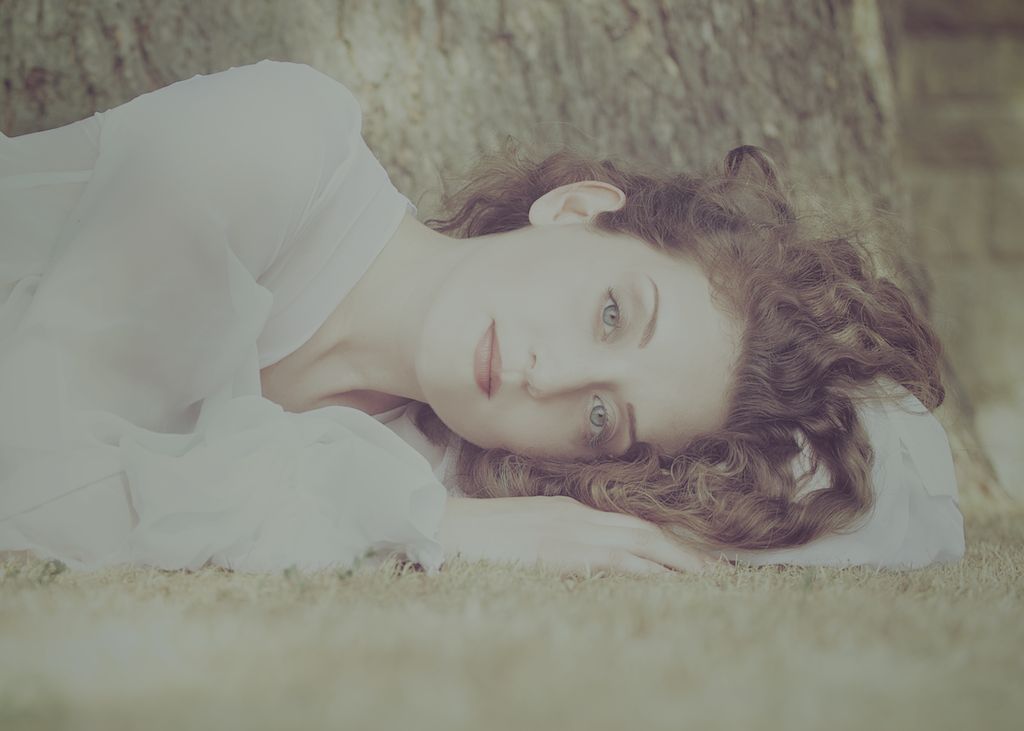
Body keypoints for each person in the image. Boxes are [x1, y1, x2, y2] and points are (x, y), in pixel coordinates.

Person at [0, 60, 964, 576]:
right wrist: (433, 524)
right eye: (611, 313)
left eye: (602, 418)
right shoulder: (284, 145)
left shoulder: (416, 455)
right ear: (577, 209)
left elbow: (893, 511)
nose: (553, 376)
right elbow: (29, 482)